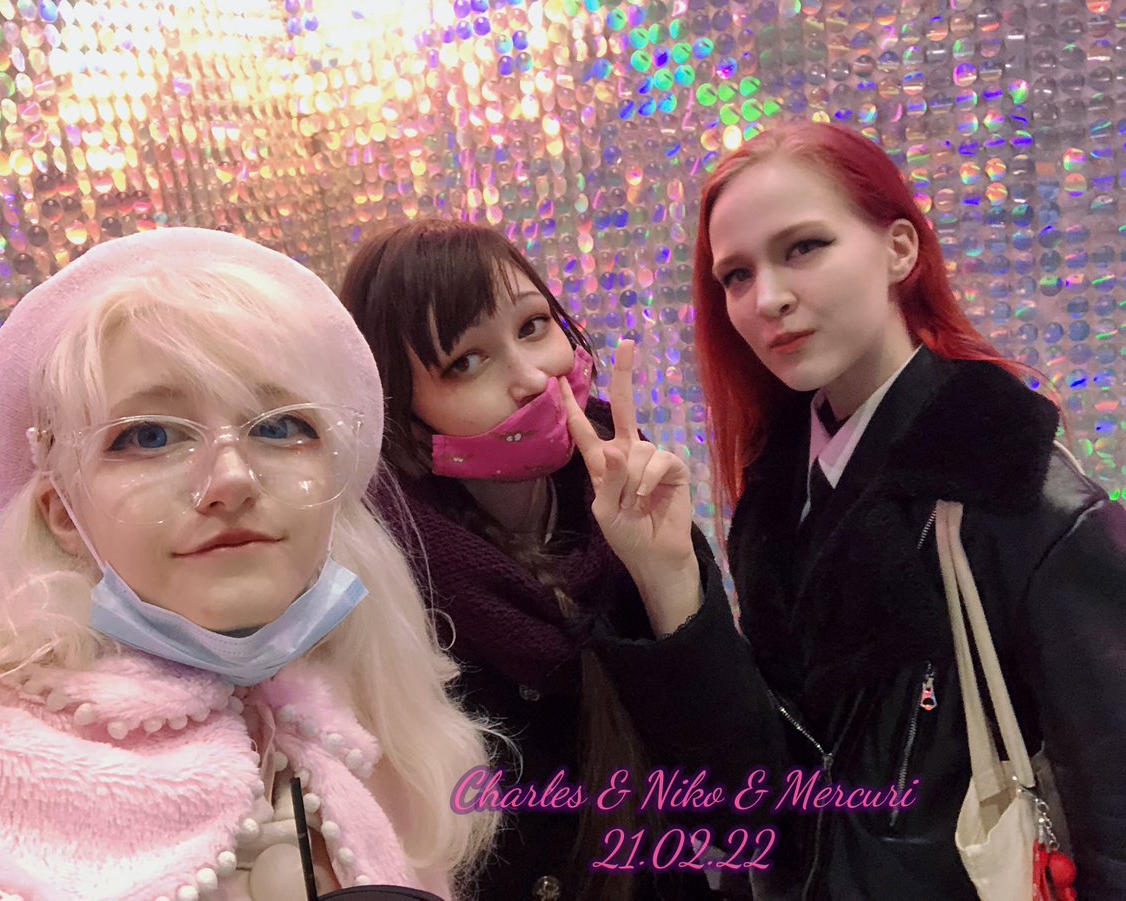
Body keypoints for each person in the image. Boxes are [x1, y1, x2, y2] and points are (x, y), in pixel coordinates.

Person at [0, 228, 498, 901]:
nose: (230, 479)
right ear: (62, 512)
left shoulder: (375, 732)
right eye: (149, 436)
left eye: (281, 427)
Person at [692, 120, 1126, 900]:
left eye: (804, 247)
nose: (769, 299)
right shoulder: (775, 495)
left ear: (899, 249)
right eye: (736, 275)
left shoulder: (1016, 492)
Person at [341, 219, 781, 901]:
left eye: (533, 326)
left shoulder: (631, 495)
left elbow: (745, 801)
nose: (531, 377)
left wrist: (665, 577)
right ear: (398, 408)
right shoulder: (379, 570)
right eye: (465, 362)